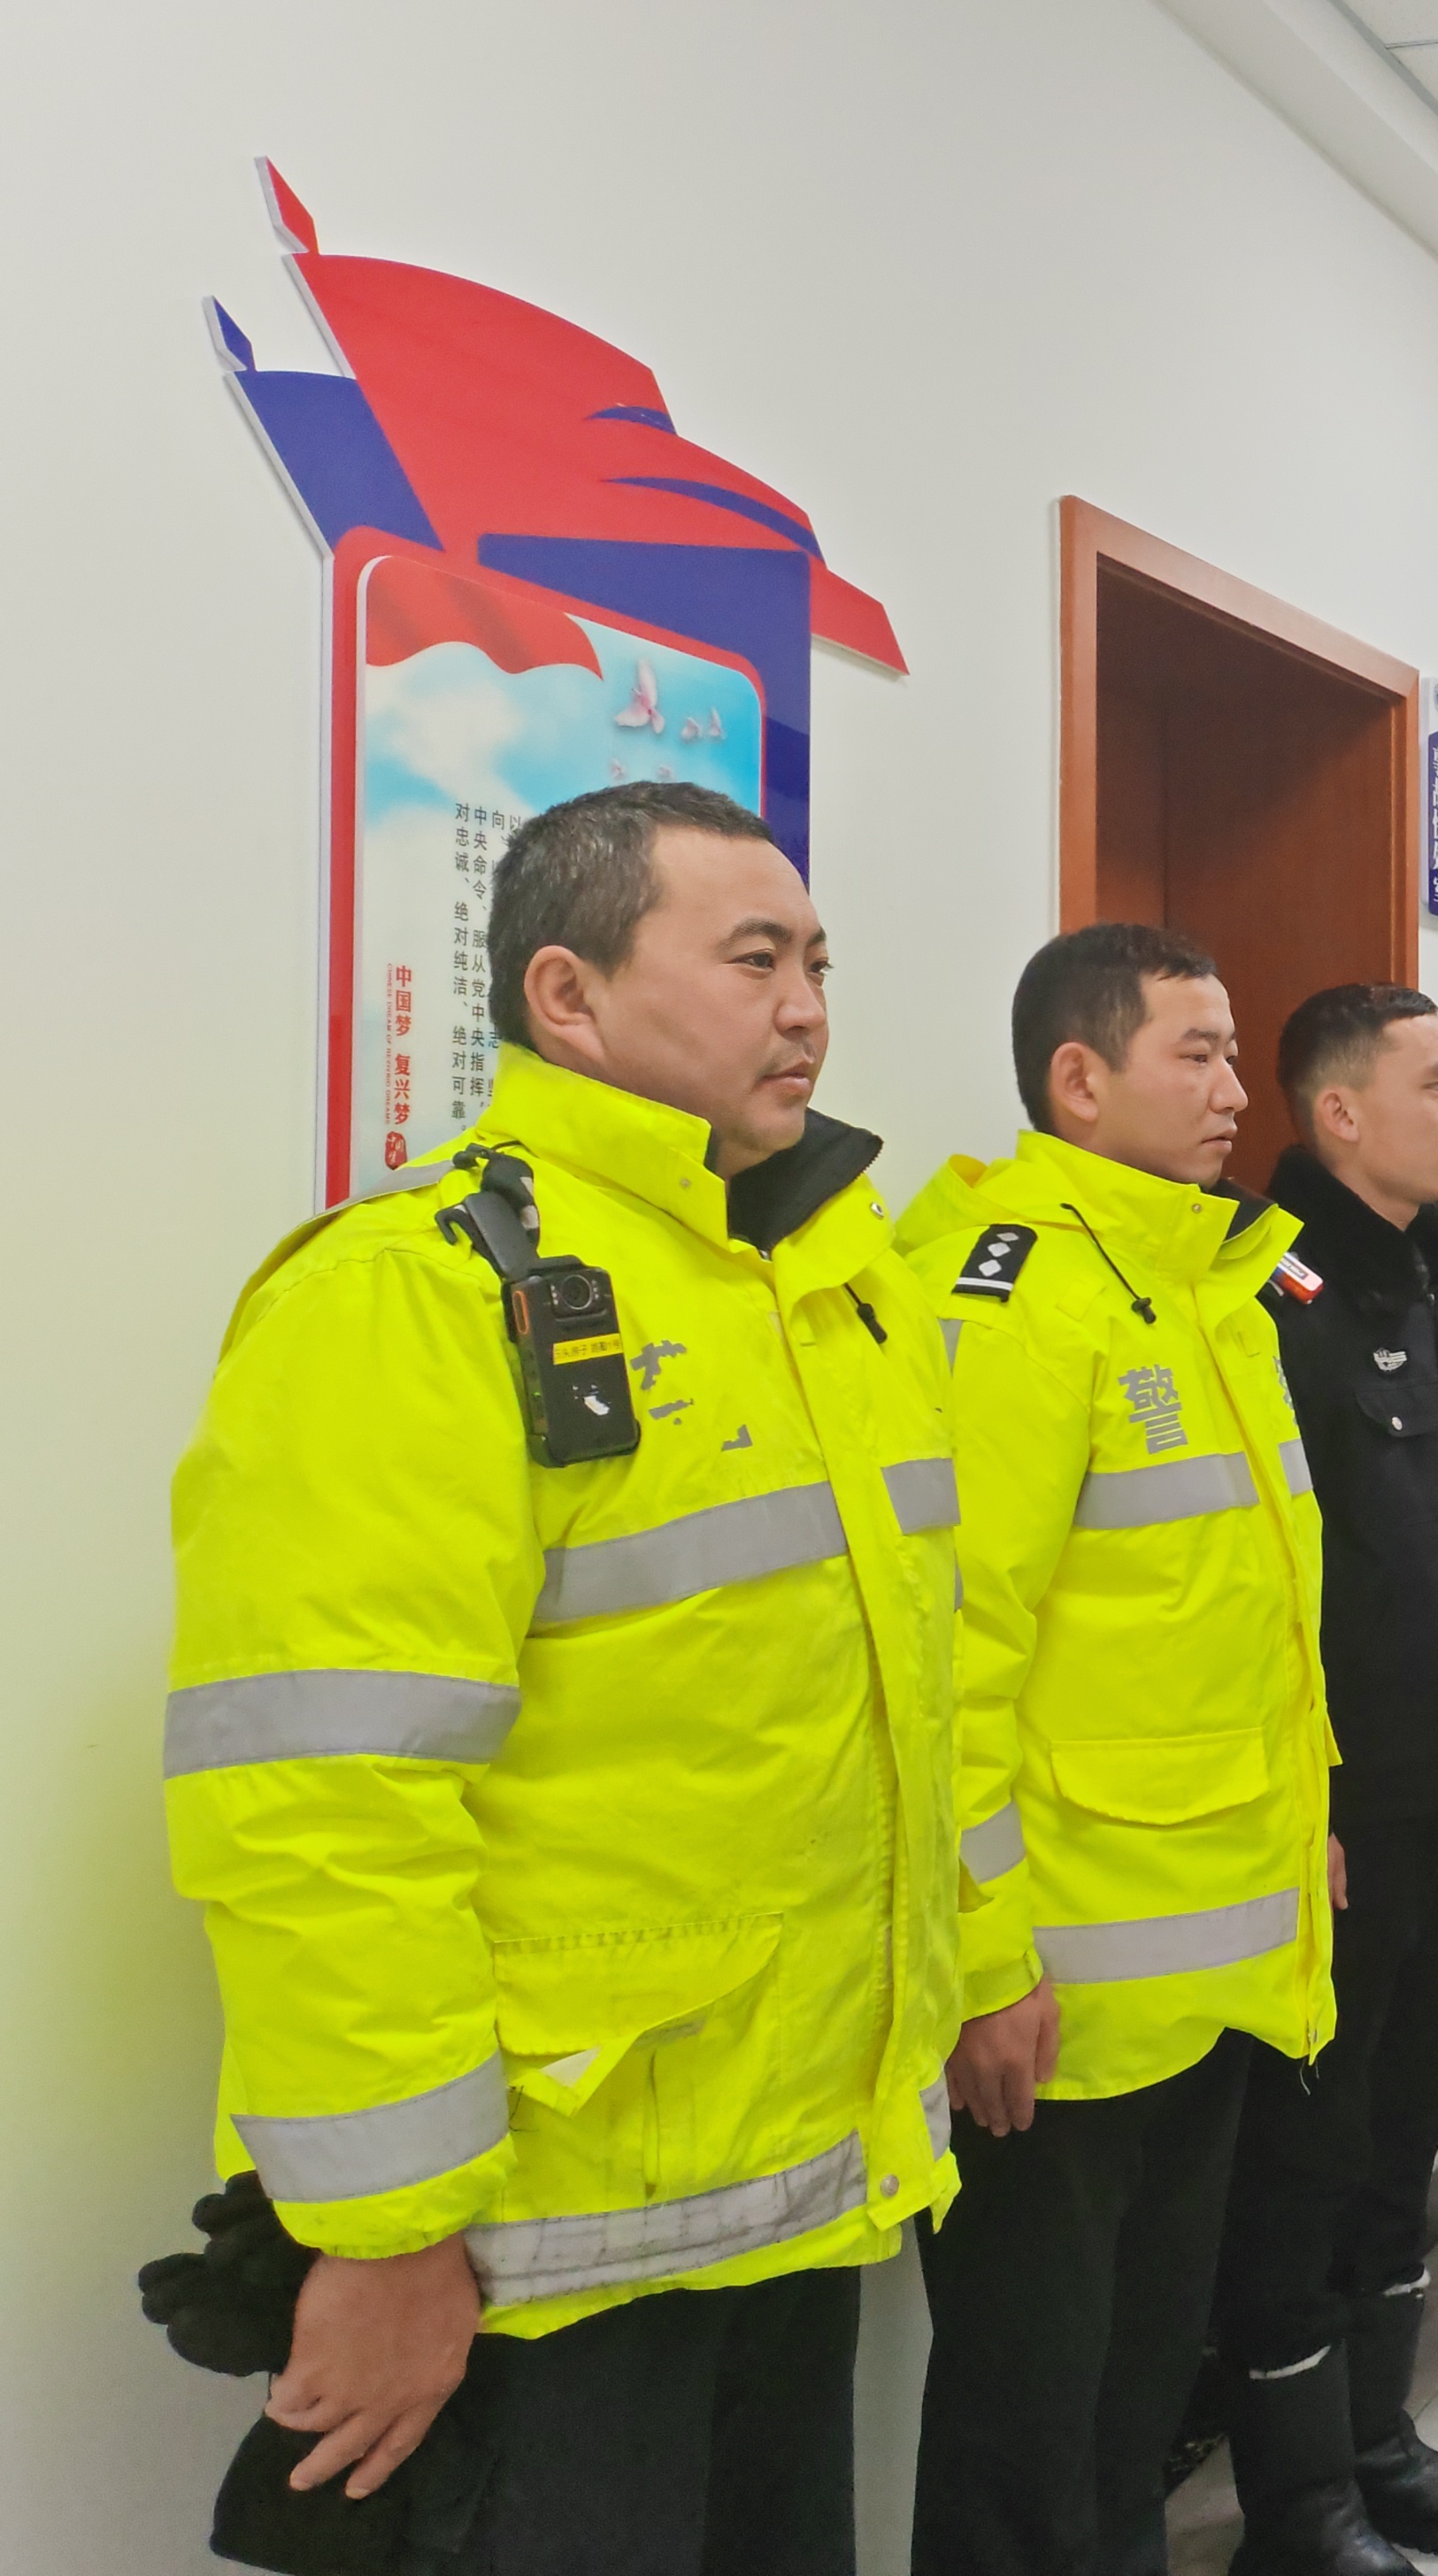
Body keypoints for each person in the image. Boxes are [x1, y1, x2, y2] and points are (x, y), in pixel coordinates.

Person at [162, 780, 962, 2572]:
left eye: (818, 962)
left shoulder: (823, 1290)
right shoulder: (415, 1294)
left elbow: (904, 1711)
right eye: (753, 959)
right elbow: (322, 1804)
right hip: (535, 2253)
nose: (807, 1008)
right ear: (567, 995)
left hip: (793, 2199)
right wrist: (384, 2233)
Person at [896, 924, 1333, 2576]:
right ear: (1078, 1081)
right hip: (1058, 1995)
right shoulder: (1014, 1298)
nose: (1234, 1091)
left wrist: (1303, 1830)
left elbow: (1239, 1621)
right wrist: (985, 1960)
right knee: (1026, 2426)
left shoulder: (1206, 1283)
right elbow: (953, 1659)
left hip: (1209, 1962)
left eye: (1231, 1052)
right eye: (1195, 1054)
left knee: (1132, 2401)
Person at [1203, 985, 1438, 2569]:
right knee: (1310, 2152)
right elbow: (1263, 1585)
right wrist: (1311, 1804)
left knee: (1404, 2121)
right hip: (1338, 1816)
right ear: (1340, 1113)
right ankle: (1299, 2499)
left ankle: (1377, 2433)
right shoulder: (1271, 1292)